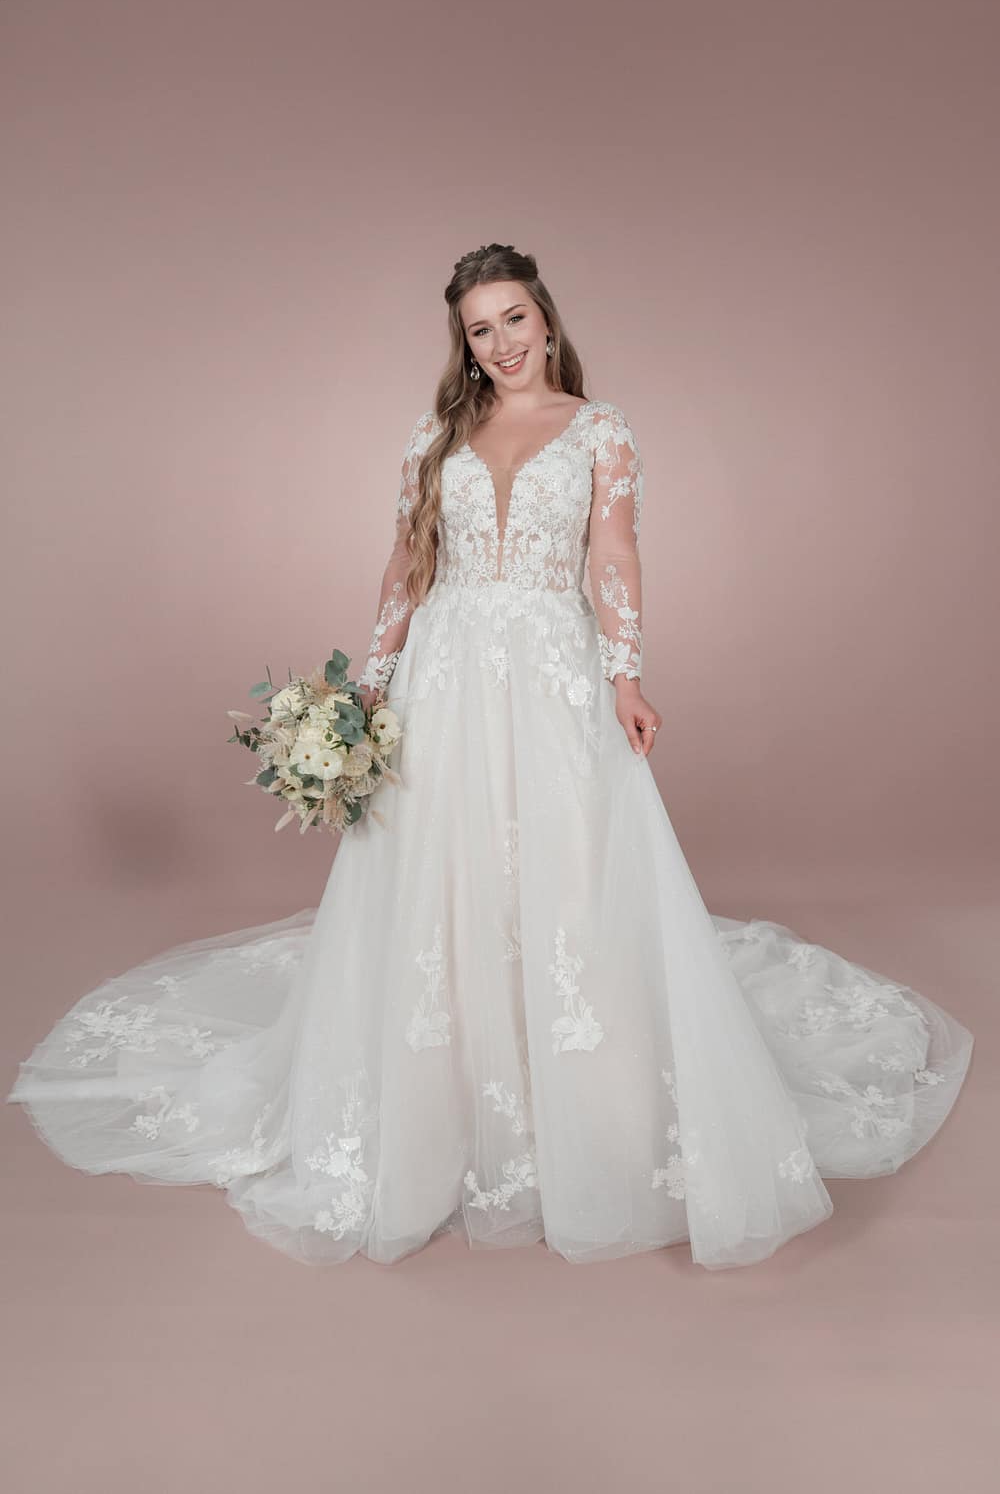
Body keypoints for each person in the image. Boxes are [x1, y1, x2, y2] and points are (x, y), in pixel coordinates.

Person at [8, 242, 974, 1271]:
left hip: (553, 673)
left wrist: (625, 675)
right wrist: (371, 683)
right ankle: (443, 1097)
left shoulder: (598, 428)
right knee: (442, 867)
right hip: (447, 672)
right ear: (464, 344)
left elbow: (613, 551)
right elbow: (406, 561)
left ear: (545, 320)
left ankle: (585, 1105)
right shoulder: (437, 435)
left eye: (514, 318)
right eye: (481, 329)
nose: (502, 342)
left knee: (565, 866)